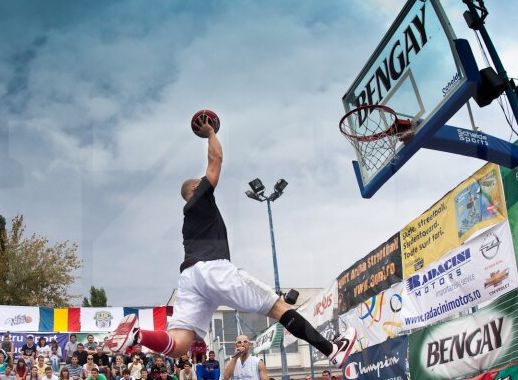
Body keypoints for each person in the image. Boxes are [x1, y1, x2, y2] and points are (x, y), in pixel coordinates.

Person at [104, 118, 356, 365]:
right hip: (214, 270)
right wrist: (210, 133)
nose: (204, 183)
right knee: (278, 307)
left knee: (179, 346)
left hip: (190, 279)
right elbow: (215, 160)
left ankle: (137, 336)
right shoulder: (199, 199)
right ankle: (332, 350)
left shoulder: (189, 219)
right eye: (200, 183)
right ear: (194, 189)